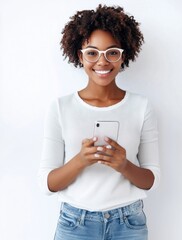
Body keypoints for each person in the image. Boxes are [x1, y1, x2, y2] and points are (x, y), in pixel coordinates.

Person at [38, 4, 160, 240]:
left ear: (123, 55)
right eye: (92, 52)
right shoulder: (60, 107)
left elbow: (151, 181)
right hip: (75, 224)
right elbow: (47, 184)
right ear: (79, 55)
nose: (102, 62)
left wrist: (124, 165)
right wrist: (80, 161)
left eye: (112, 52)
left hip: (129, 224)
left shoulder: (142, 106)